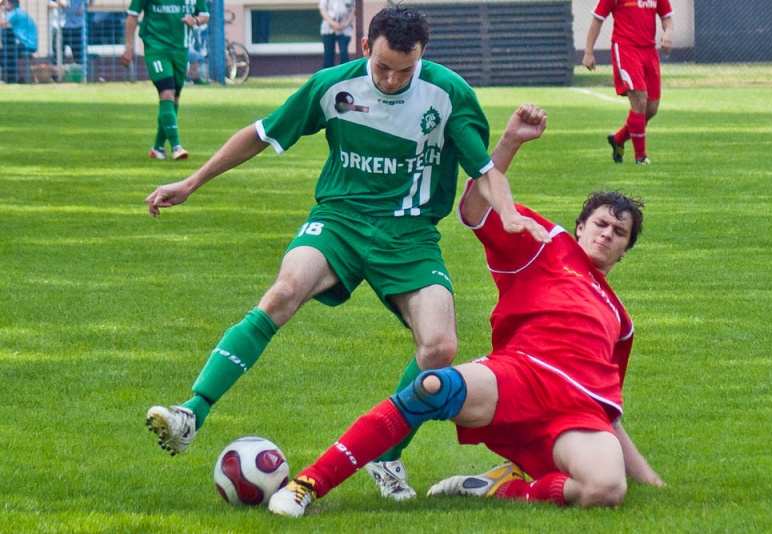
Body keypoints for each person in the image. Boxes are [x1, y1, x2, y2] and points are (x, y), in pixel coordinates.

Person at [143, 6, 550, 502]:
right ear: (364, 48)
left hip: (409, 233)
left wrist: (508, 214)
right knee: (284, 292)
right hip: (339, 220)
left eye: (405, 70)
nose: (393, 80)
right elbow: (261, 133)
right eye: (383, 67)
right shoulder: (333, 86)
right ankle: (191, 412)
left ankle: (386, 453)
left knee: (440, 347)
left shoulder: (447, 93)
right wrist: (191, 182)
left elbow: (485, 171)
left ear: (423, 55)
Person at [266, 103, 665, 517]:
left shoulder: (621, 321)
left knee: (605, 489)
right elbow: (474, 209)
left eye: (619, 232)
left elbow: (609, 409)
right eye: (600, 223)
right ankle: (308, 483)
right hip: (519, 375)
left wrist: (651, 481)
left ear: (625, 249)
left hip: (578, 413)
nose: (607, 234)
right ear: (581, 226)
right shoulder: (546, 241)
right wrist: (510, 141)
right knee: (432, 387)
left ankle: (502, 490)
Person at [582, 0, 674, 165]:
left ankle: (618, 139)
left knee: (651, 109)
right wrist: (588, 53)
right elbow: (597, 19)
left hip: (650, 51)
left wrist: (668, 32)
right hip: (626, 49)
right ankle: (641, 157)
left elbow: (667, 17)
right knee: (640, 101)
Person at [121, 0, 209, 160]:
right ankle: (177, 146)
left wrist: (195, 20)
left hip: (181, 50)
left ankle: (157, 147)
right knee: (167, 92)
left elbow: (205, 15)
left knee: (174, 99)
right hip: (156, 48)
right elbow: (132, 16)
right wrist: (128, 48)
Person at [0, 0, 38, 84]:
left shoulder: (15, 13)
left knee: (4, 54)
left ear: (11, 5)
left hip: (27, 44)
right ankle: (12, 77)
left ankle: (10, 78)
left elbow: (2, 22)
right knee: (7, 52)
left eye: (5, 3)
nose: (3, 5)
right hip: (27, 43)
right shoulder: (19, 12)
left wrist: (1, 10)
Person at [49, 0, 91, 67]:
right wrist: (59, 4)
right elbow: (49, 4)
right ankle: (58, 72)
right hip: (59, 26)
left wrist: (84, 6)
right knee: (58, 57)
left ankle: (80, 72)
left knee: (79, 57)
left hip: (77, 26)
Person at [319, 0, 355, 69]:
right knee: (328, 54)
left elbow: (353, 9)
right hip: (328, 28)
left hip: (345, 29)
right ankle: (329, 74)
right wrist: (332, 23)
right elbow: (322, 9)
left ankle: (345, 73)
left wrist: (346, 23)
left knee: (344, 53)